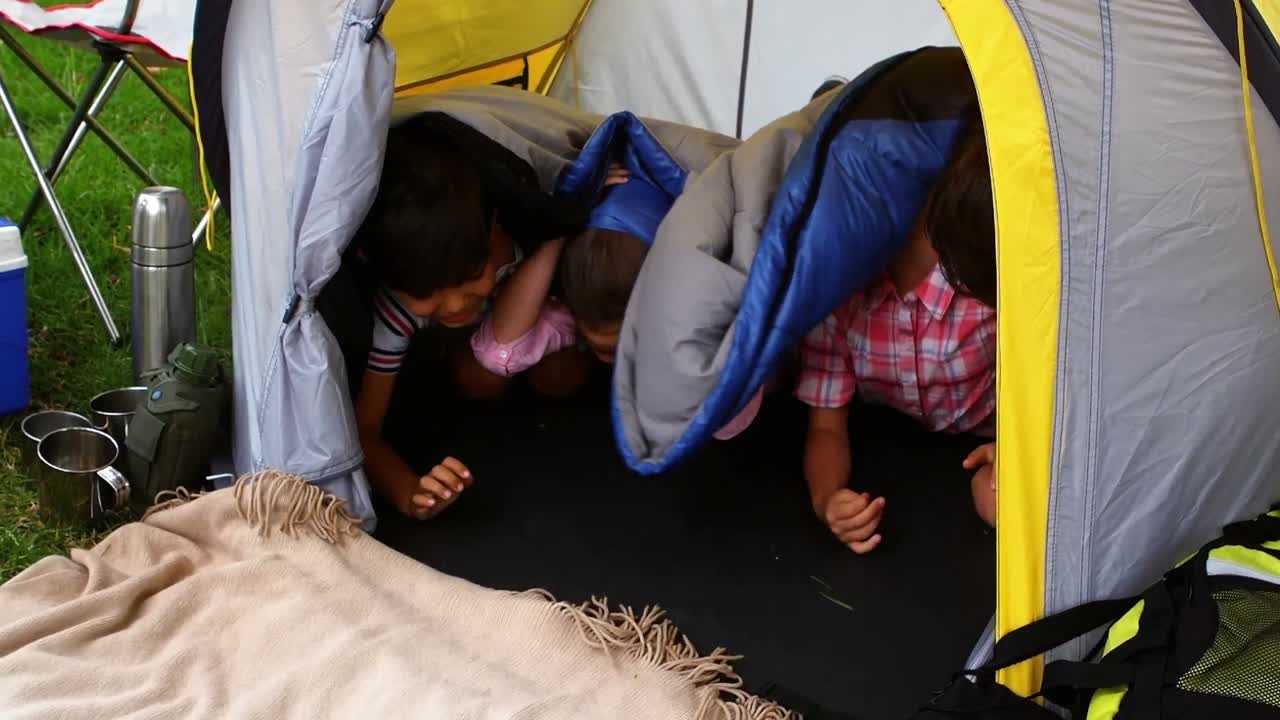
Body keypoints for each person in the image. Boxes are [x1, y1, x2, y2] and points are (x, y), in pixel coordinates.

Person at [352, 115, 584, 521]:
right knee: (478, 377)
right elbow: (365, 430)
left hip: (538, 338)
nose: (457, 305)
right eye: (429, 296)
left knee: (560, 374)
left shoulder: (518, 231)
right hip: (467, 368)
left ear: (492, 226)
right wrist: (411, 494)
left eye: (471, 277)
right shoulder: (397, 309)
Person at [795, 118, 998, 554]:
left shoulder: (980, 275)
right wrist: (828, 499)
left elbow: (1049, 383)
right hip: (898, 441)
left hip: (987, 435)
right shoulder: (838, 289)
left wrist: (1014, 450)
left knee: (994, 500)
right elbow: (826, 427)